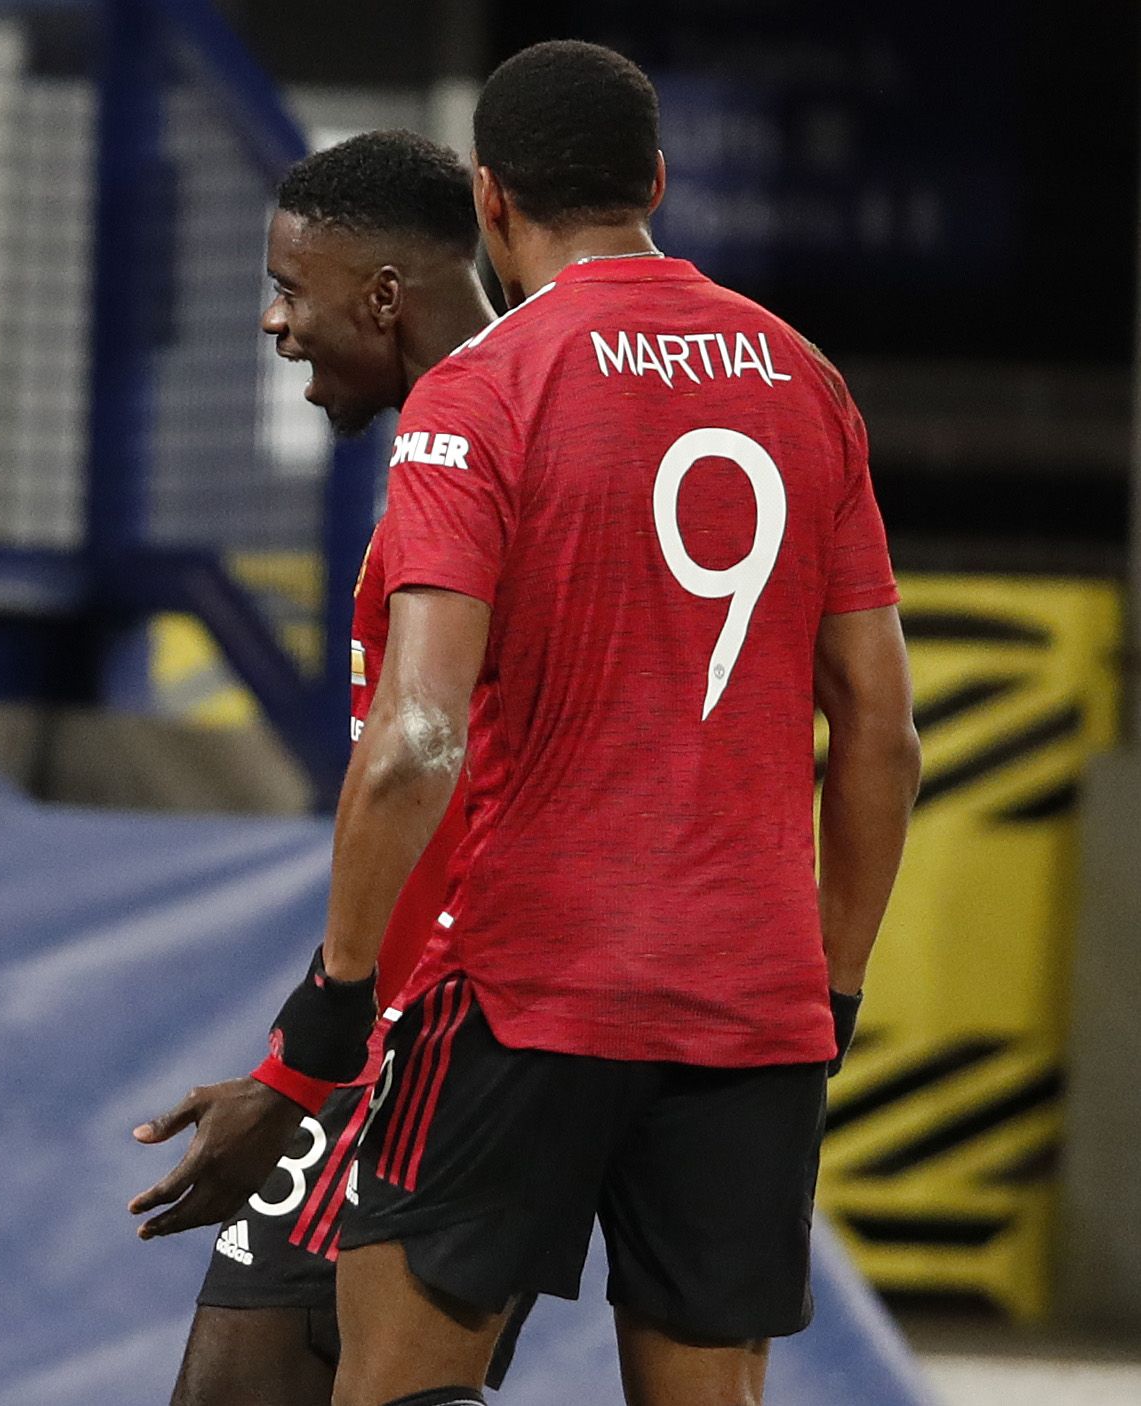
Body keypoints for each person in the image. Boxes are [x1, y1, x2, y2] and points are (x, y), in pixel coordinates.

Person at [133, 41, 920, 1406]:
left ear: (489, 202)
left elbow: (420, 739)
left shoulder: (484, 396)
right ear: (657, 182)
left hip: (521, 990)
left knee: (391, 1379)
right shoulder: (805, 381)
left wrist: (323, 1020)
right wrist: (830, 988)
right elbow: (883, 735)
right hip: (750, 1003)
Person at [152, 130, 513, 1406]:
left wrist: (314, 1049)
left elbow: (428, 759)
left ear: (382, 295)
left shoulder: (471, 441)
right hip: (427, 1029)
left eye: (293, 289)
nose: (272, 321)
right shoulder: (501, 428)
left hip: (443, 1034)